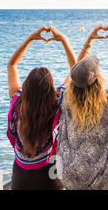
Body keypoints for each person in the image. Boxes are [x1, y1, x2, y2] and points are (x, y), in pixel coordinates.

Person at [58, 24, 108, 190]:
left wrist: (88, 40)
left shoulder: (67, 100)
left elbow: (75, 73)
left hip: (75, 179)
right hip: (106, 181)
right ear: (97, 78)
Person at [7, 26, 76, 190]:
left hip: (20, 173)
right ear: (49, 88)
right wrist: (64, 41)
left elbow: (11, 65)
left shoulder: (17, 101)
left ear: (27, 86)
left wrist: (31, 38)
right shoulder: (57, 102)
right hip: (51, 170)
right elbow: (75, 71)